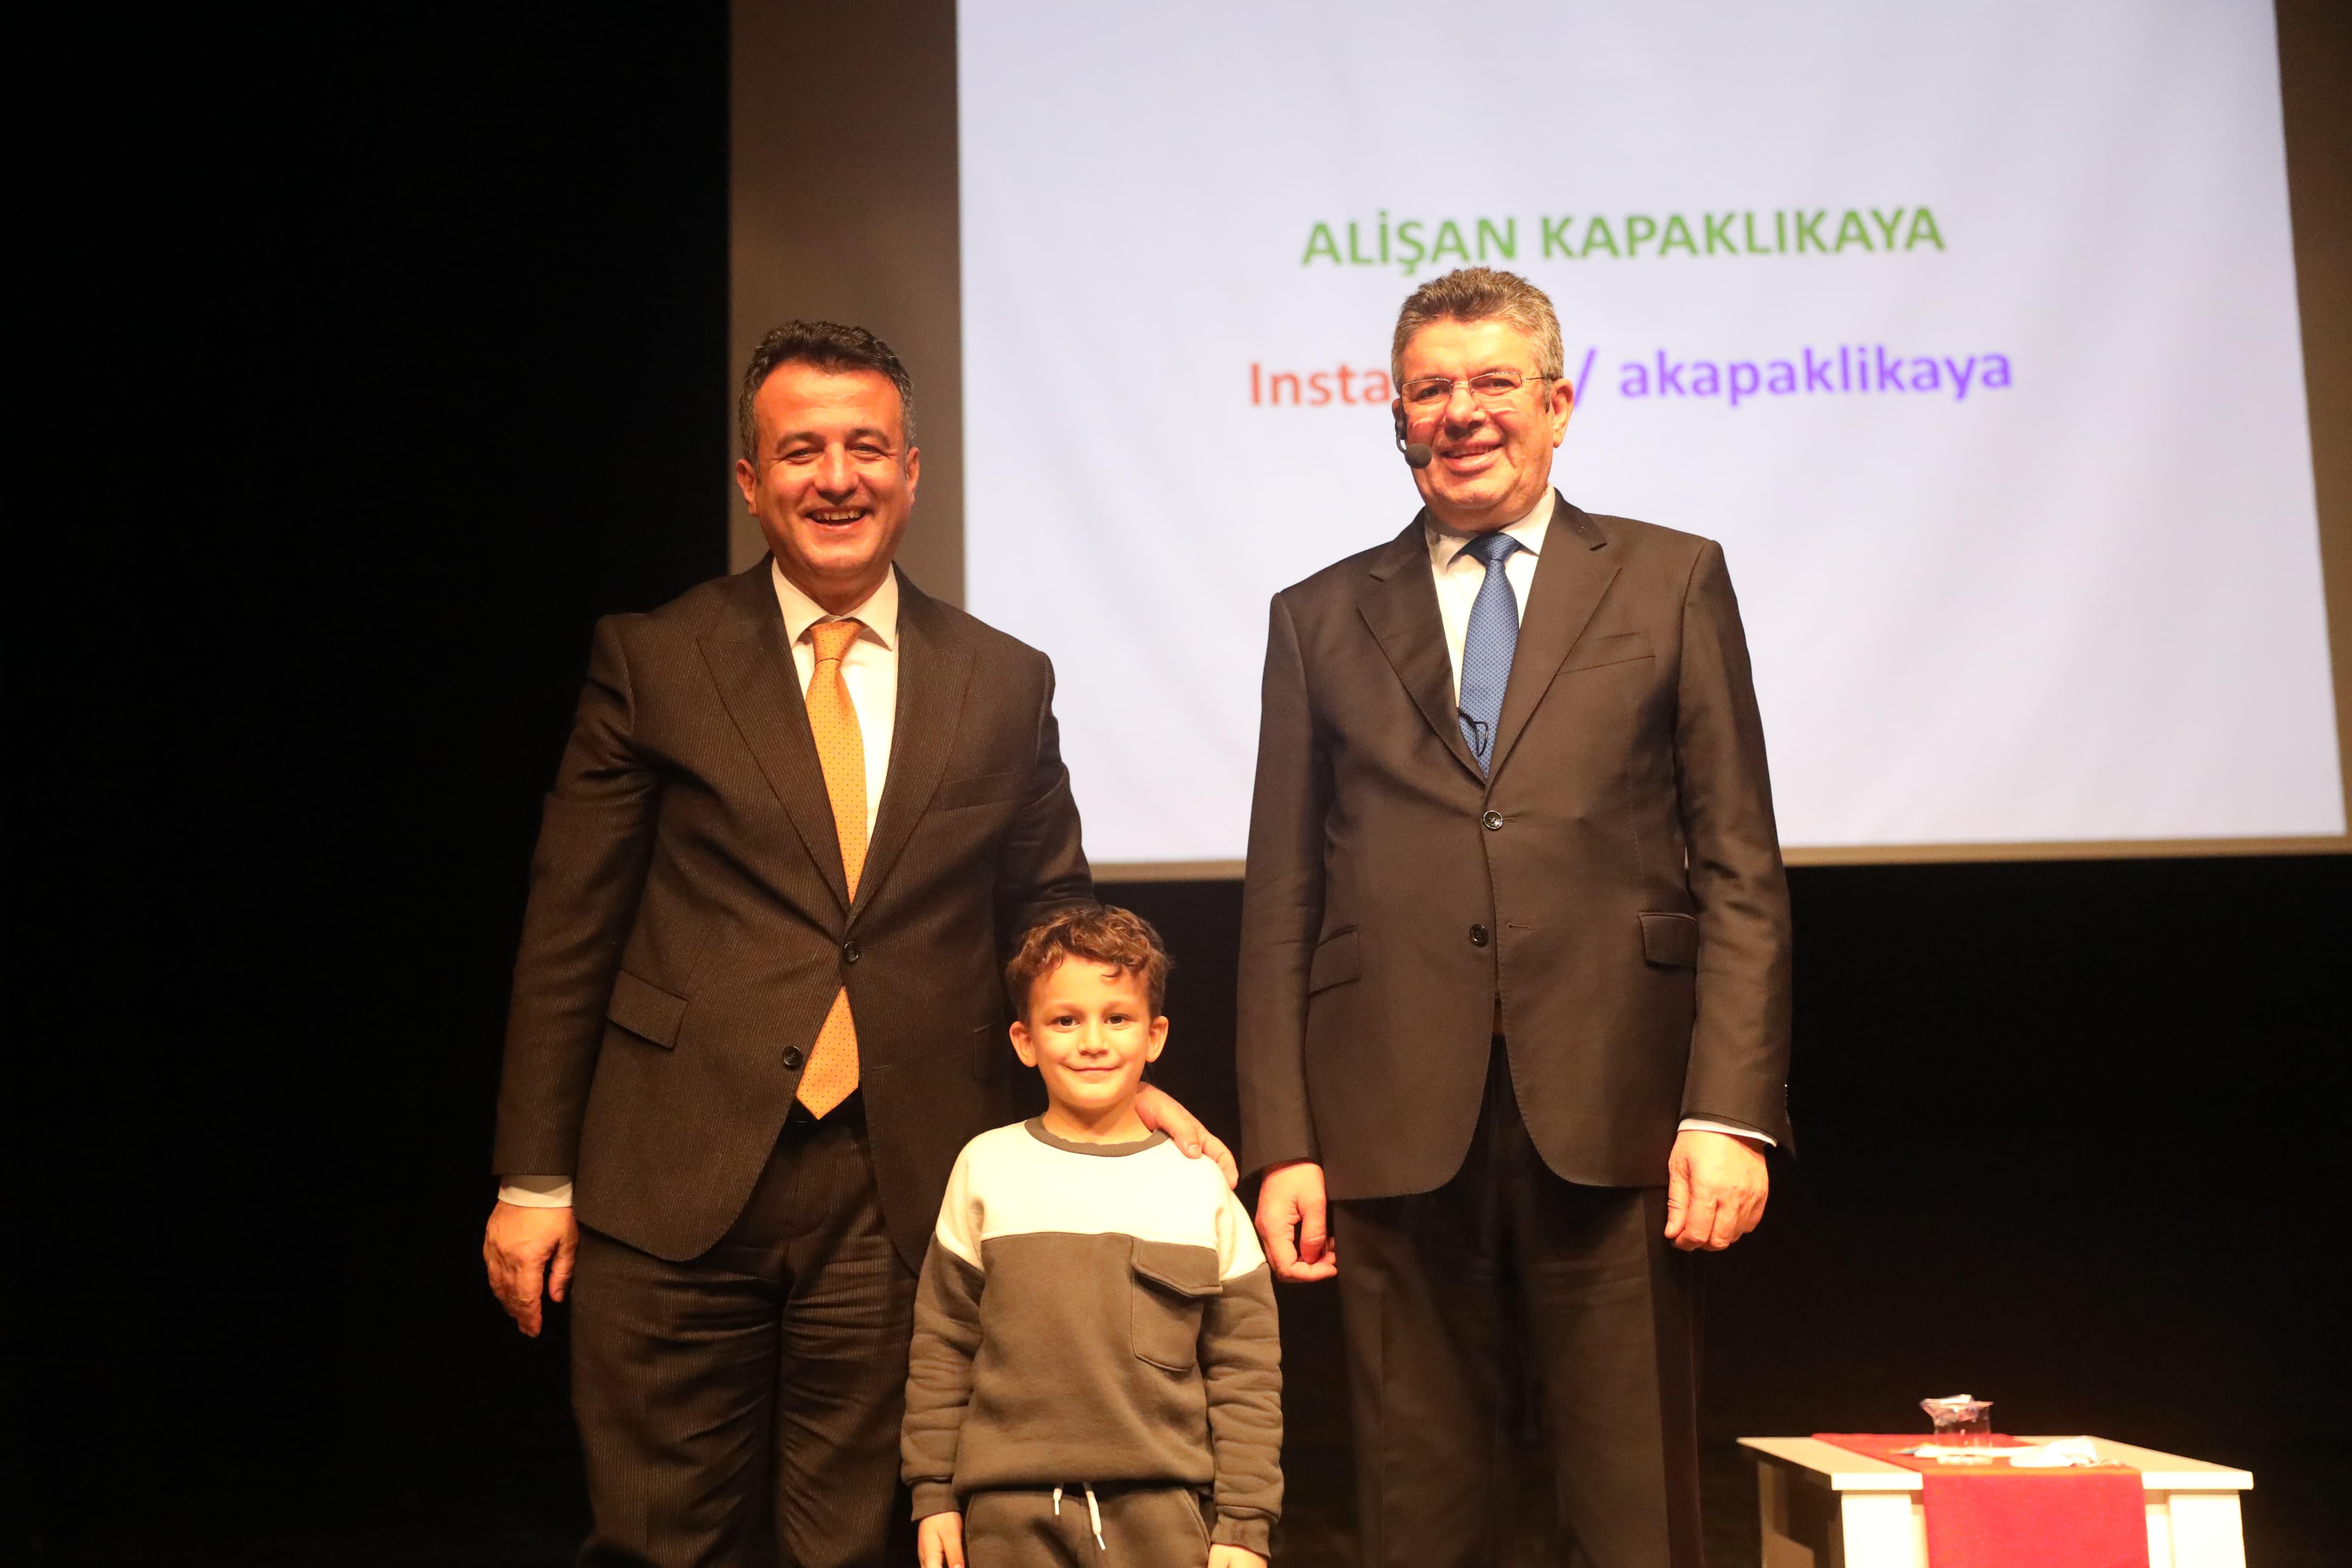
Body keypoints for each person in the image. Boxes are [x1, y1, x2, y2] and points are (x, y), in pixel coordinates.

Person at [480, 322, 1233, 1568]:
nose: (838, 478)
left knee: (862, 1543)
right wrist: (532, 1179)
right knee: (661, 1541)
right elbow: (569, 928)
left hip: (899, 1187)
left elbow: (1052, 913)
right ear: (751, 480)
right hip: (670, 1173)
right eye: (802, 451)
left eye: (867, 448)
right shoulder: (655, 659)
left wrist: (1121, 1077)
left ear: (913, 471)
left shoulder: (1002, 679)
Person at [1237, 268, 1792, 1568]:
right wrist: (1283, 1142)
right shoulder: (1316, 617)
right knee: (1417, 1522)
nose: (1462, 412)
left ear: (1557, 404)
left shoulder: (1670, 578)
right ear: (1397, 415)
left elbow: (1740, 870)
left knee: (1637, 1518)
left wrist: (1728, 1110)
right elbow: (1282, 898)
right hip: (1388, 1126)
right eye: (1431, 389)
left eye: (1493, 381)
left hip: (1622, 1113)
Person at [903, 906, 1280, 1568]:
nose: (1093, 1042)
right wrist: (933, 1491)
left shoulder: (1198, 1183)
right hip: (1008, 1513)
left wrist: (1244, 1522)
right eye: (1065, 1020)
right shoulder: (986, 1167)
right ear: (1024, 1040)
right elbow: (944, 1344)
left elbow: (1244, 1368)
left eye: (1117, 1018)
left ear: (1155, 1035)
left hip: (1164, 1512)